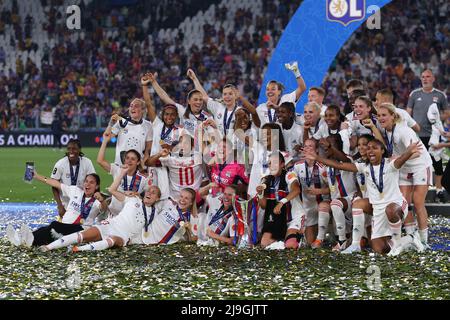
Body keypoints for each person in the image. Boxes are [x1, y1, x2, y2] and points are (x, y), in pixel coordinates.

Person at [305, 139, 425, 255]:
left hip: (396, 205)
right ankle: (410, 238)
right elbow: (339, 165)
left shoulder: (390, 164)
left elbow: (401, 160)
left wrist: (409, 151)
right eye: (368, 148)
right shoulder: (364, 167)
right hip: (378, 211)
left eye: (374, 148)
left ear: (382, 151)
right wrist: (317, 158)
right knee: (379, 248)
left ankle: (397, 244)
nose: (370, 151)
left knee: (390, 209)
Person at [40, 169, 161, 252]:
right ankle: (48, 247)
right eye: (149, 190)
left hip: (124, 235)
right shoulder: (133, 199)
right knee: (81, 236)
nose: (150, 193)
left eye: (153, 192)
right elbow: (112, 190)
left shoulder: (156, 213)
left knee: (112, 240)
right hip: (111, 224)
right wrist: (123, 173)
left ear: (158, 198)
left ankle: (79, 250)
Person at [373, 103, 433, 247]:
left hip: (420, 166)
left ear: (393, 116)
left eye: (384, 115)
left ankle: (424, 240)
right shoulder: (387, 129)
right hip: (404, 168)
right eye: (379, 115)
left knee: (418, 202)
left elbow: (416, 153)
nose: (381, 118)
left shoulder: (403, 131)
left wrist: (397, 158)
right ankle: (412, 236)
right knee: (403, 203)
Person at [7, 172, 107, 247]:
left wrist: (102, 200)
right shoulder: (76, 191)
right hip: (63, 226)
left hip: (80, 229)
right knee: (46, 230)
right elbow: (56, 184)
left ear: (97, 186)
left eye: (91, 183)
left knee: (54, 226)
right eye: (86, 181)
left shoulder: (97, 199)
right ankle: (22, 239)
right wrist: (36, 176)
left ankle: (28, 240)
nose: (87, 185)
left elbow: (103, 209)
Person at [311, 135, 358, 251]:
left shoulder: (348, 159)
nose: (327, 148)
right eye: (326, 147)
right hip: (336, 202)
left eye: (330, 146)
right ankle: (319, 238)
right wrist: (320, 191)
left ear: (338, 147)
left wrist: (330, 147)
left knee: (335, 204)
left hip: (350, 200)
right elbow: (331, 187)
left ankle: (341, 240)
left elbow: (343, 159)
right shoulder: (327, 166)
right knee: (323, 205)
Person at [407, 69, 448, 199]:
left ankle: (438, 189)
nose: (425, 79)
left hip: (434, 135)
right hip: (417, 135)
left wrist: (436, 117)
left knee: (437, 161)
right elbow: (408, 113)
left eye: (428, 76)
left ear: (433, 78)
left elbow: (447, 113)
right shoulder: (414, 94)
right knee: (416, 162)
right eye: (423, 77)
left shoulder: (440, 95)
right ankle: (416, 190)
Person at [255, 152, 303, 249]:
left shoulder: (289, 175)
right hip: (277, 219)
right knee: (264, 243)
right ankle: (283, 239)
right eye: (270, 163)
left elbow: (296, 190)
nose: (272, 166)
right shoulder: (266, 180)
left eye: (275, 163)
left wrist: (282, 202)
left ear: (282, 164)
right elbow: (264, 205)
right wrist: (260, 194)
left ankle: (296, 237)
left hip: (293, 217)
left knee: (290, 245)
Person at [97, 131, 150, 217]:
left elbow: (147, 197)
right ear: (124, 160)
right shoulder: (117, 170)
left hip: (131, 217)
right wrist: (105, 141)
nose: (129, 161)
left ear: (138, 162)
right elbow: (100, 161)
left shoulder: (144, 178)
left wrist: (138, 195)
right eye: (127, 158)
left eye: (133, 159)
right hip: (114, 215)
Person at [146, 72, 212, 137]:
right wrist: (154, 82)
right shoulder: (183, 111)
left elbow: (212, 138)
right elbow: (164, 97)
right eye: (195, 100)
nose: (198, 102)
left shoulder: (207, 118)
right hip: (185, 146)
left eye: (200, 100)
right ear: (189, 101)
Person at [293, 139, 330, 245]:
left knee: (322, 240)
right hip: (307, 206)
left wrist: (320, 190)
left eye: (310, 146)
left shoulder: (323, 167)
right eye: (305, 146)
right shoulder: (297, 166)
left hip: (323, 203)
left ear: (317, 150)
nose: (307, 149)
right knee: (309, 243)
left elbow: (334, 188)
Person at [146, 134, 203, 200]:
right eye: (181, 142)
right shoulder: (171, 158)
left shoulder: (199, 157)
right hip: (175, 198)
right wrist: (159, 154)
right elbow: (148, 163)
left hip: (194, 197)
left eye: (186, 143)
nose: (183, 145)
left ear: (192, 146)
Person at [50, 139, 96, 217]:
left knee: (81, 227)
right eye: (69, 149)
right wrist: (60, 206)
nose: (71, 151)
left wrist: (91, 201)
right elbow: (54, 185)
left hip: (82, 203)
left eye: (74, 149)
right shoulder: (60, 164)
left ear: (79, 150)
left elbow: (93, 182)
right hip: (65, 204)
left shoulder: (87, 162)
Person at [256, 61, 306, 126]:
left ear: (279, 91)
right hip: (269, 135)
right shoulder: (260, 108)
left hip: (289, 135)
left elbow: (302, 88)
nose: (269, 91)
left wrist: (296, 72)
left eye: (273, 89)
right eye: (267, 89)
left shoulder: (287, 99)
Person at [106, 98, 153, 166]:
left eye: (136, 106)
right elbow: (107, 138)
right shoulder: (121, 122)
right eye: (131, 106)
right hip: (120, 166)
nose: (132, 108)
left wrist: (143, 164)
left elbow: (148, 150)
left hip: (137, 167)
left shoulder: (148, 125)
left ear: (143, 110)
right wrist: (110, 124)